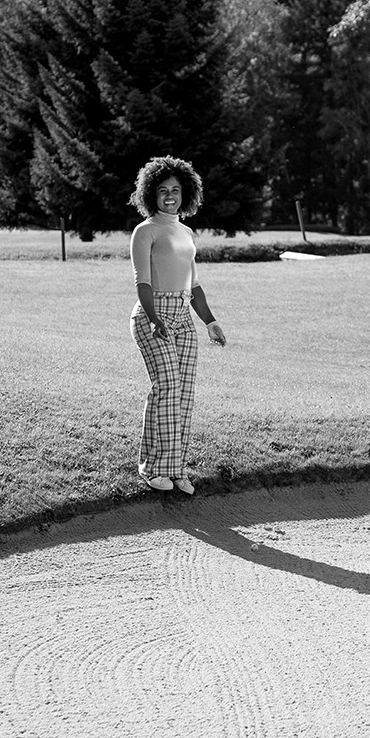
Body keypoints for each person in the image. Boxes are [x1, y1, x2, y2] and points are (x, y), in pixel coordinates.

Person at [128, 156, 227, 494]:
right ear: (150, 194)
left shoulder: (185, 232)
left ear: (185, 193)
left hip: (183, 317)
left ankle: (176, 469)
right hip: (151, 315)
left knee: (184, 394)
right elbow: (142, 283)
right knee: (166, 386)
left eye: (175, 190)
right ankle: (152, 468)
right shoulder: (145, 231)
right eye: (162, 190)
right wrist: (155, 319)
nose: (169, 195)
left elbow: (193, 285)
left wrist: (210, 322)